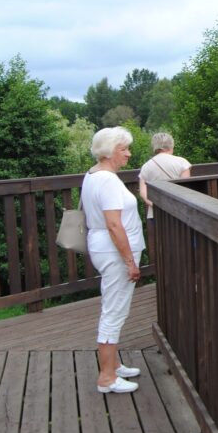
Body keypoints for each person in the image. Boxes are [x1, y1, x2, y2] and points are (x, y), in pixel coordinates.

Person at [81, 127, 144, 394]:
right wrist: (130, 261)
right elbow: (114, 225)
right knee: (114, 310)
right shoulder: (107, 180)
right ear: (109, 151)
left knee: (114, 306)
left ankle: (113, 364)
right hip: (114, 252)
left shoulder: (93, 174)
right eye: (124, 149)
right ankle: (106, 378)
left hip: (103, 247)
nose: (128, 154)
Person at [138, 132, 192, 222]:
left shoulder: (146, 166)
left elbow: (143, 193)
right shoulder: (182, 162)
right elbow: (185, 190)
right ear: (171, 145)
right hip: (180, 212)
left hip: (156, 213)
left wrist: (157, 205)